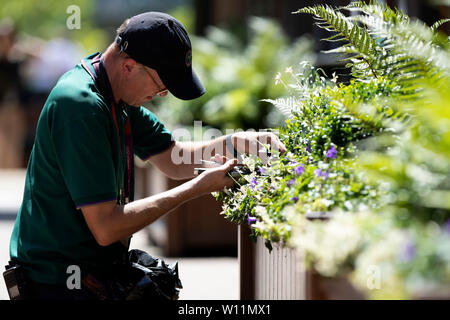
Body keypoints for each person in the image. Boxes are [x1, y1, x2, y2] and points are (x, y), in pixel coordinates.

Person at [8, 12, 286, 300]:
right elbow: (106, 227)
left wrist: (235, 143)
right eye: (161, 83)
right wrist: (197, 188)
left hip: (89, 274)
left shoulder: (114, 93)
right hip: (55, 283)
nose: (163, 95)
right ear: (130, 66)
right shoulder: (80, 107)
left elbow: (173, 157)